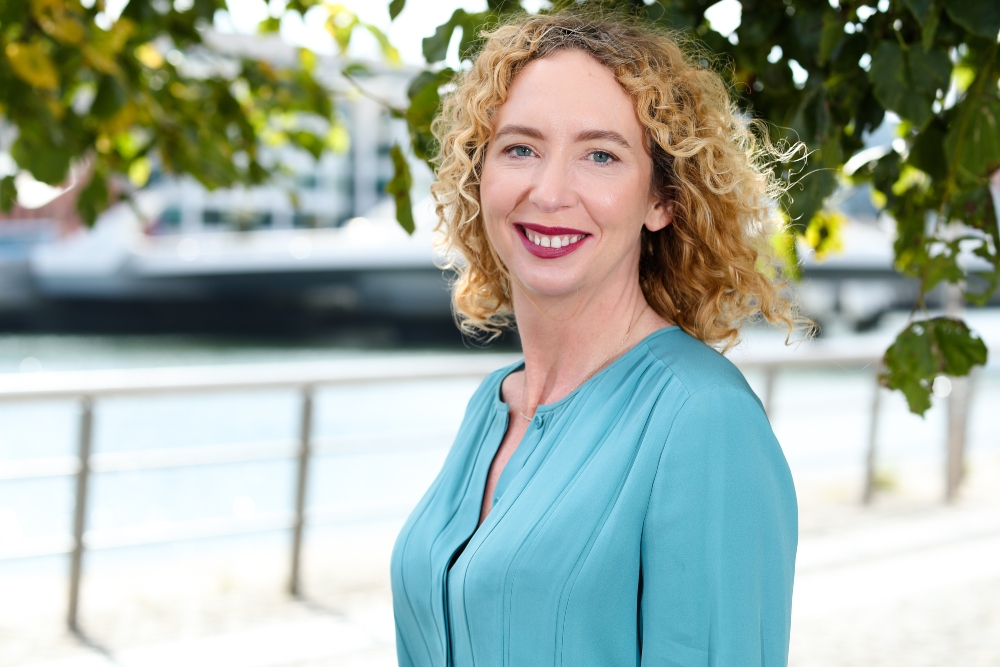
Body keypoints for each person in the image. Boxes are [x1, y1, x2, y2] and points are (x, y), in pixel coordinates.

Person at [391, 12, 806, 667]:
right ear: (481, 177)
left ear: (661, 200)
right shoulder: (491, 405)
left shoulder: (702, 417)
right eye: (520, 148)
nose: (550, 191)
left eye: (601, 155)